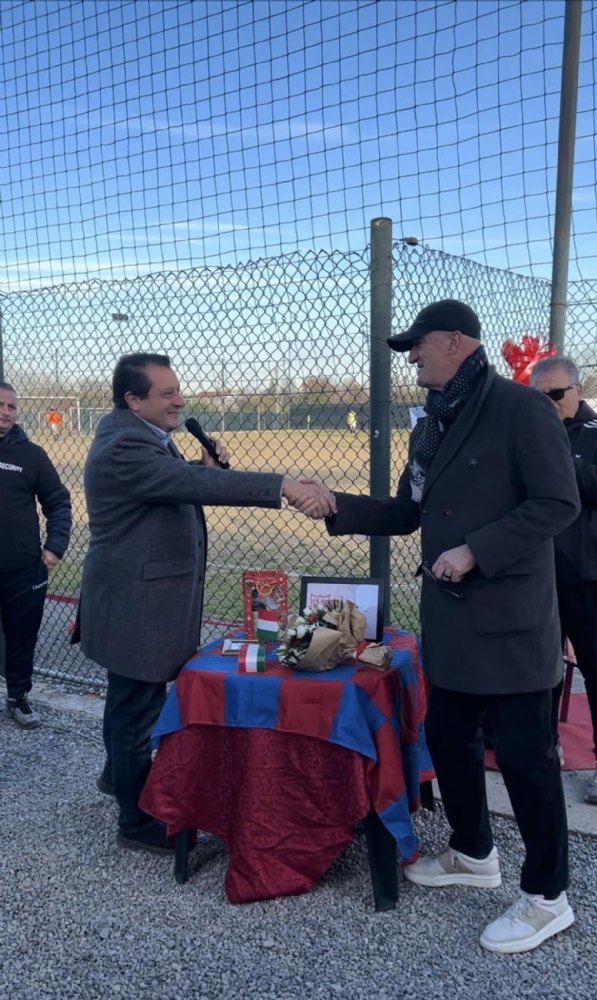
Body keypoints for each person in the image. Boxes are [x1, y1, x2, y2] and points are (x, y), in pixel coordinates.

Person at [298, 301, 581, 954]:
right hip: (451, 625)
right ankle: (473, 853)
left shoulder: (520, 408)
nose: (409, 356)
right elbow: (406, 510)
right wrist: (335, 504)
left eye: (417, 345)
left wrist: (476, 549)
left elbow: (556, 502)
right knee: (447, 736)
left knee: (523, 760)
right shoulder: (430, 425)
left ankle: (546, 898)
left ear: (455, 342)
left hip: (509, 623)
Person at [78, 353, 335, 857]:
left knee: (129, 700)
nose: (179, 399)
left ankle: (118, 778)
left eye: (178, 390)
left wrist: (200, 465)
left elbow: (174, 481)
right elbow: (189, 486)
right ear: (133, 399)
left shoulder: (142, 434)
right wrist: (281, 485)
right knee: (135, 710)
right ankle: (135, 821)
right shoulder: (125, 442)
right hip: (136, 603)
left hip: (135, 599)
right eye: (166, 392)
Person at [531, 356, 597, 805]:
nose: (549, 404)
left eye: (556, 394)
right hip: (537, 574)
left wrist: (556, 455)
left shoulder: (593, 434)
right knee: (538, 669)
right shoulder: (532, 433)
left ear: (577, 390)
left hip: (586, 574)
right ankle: (541, 746)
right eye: (541, 397)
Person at [0, 381, 72, 728]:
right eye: (0, 404)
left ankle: (17, 699)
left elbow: (58, 502)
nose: (5, 412)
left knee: (21, 637)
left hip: (23, 570)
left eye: (11, 406)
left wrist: (55, 546)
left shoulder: (32, 455)